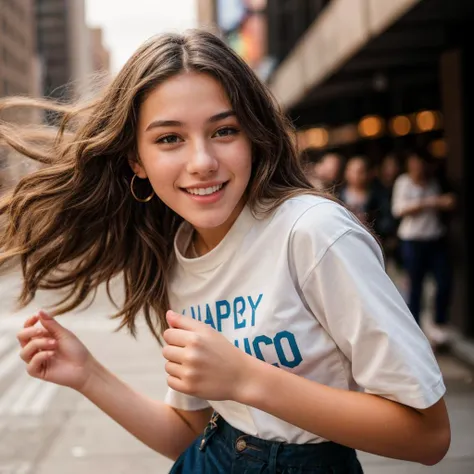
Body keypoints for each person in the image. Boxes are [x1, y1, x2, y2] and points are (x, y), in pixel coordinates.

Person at [1, 30, 450, 473]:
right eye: (169, 138)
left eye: (224, 130)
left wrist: (246, 379)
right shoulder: (179, 253)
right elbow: (189, 435)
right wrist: (87, 374)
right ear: (136, 160)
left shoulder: (313, 233)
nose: (202, 161)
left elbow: (427, 435)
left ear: (254, 135)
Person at [392, 150, 456, 346]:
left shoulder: (434, 182)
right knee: (416, 287)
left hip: (434, 238)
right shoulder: (403, 182)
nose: (418, 169)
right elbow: (398, 210)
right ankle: (415, 332)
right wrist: (431, 202)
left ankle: (439, 325)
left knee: (444, 281)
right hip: (412, 240)